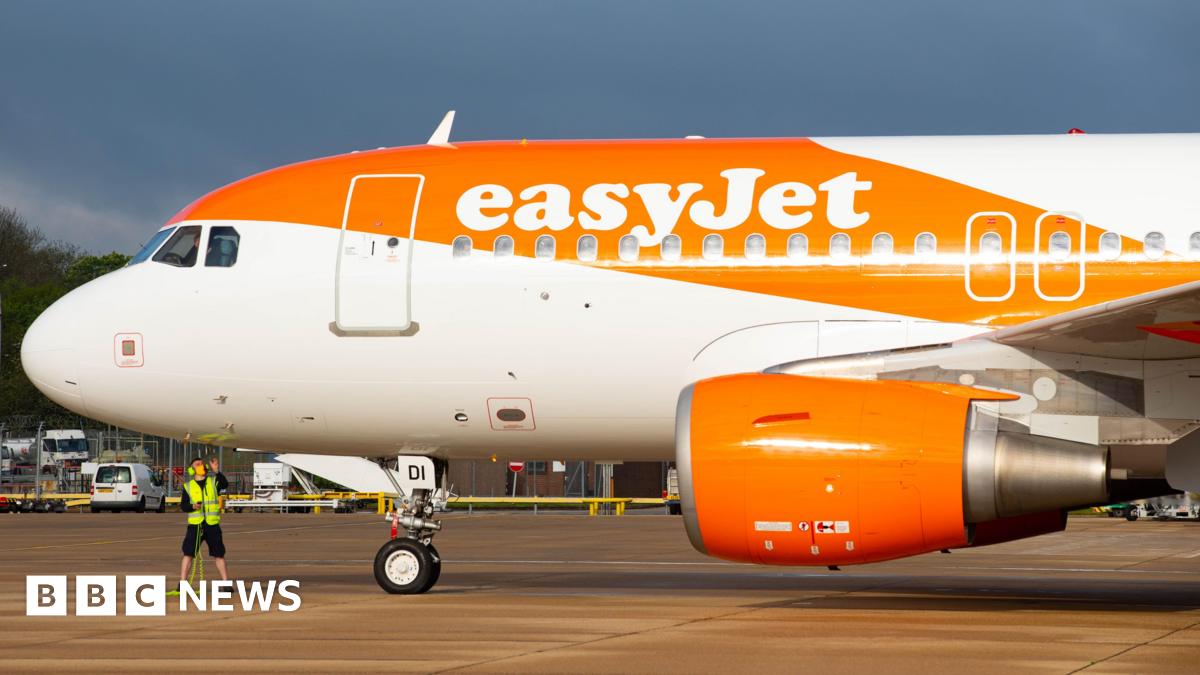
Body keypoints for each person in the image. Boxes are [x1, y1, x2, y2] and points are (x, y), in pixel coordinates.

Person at [179, 457, 229, 583]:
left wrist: (216, 471)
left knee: (219, 554)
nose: (201, 465)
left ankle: (226, 583)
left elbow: (224, 484)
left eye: (202, 463)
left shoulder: (213, 482)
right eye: (197, 464)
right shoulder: (188, 486)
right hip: (196, 525)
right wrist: (192, 506)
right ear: (192, 470)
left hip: (212, 524)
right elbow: (183, 506)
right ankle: (182, 583)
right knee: (188, 553)